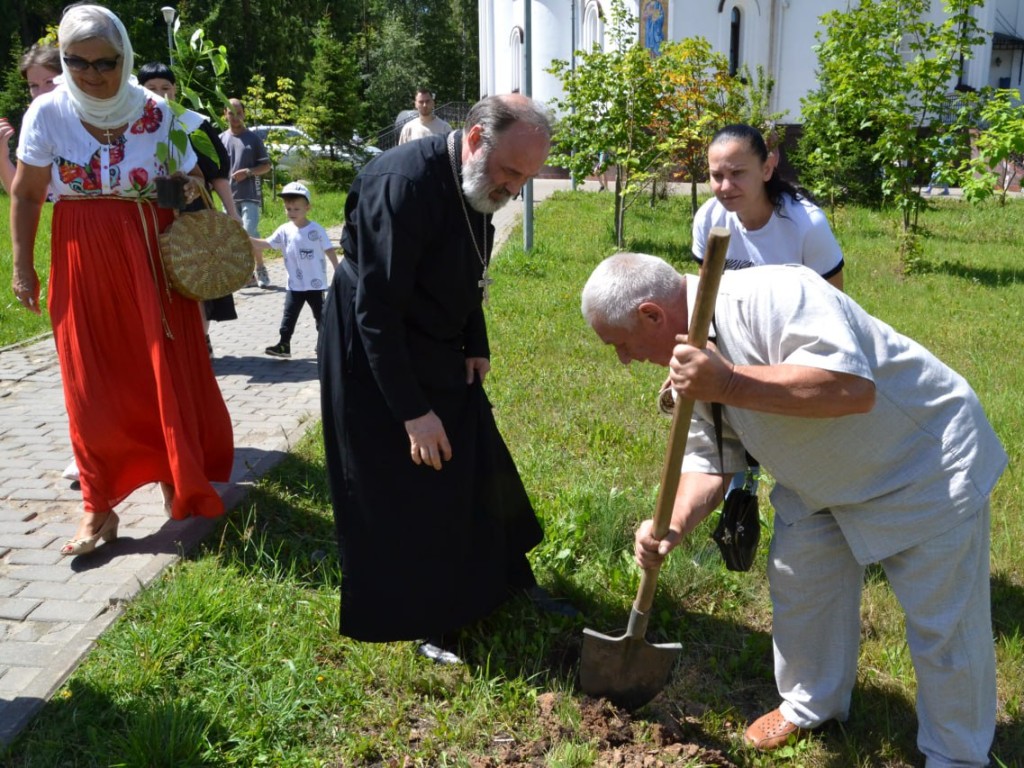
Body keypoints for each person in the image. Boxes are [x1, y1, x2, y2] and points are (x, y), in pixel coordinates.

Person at [581, 252, 1006, 768]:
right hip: (816, 479)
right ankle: (812, 704)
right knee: (801, 589)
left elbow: (852, 388)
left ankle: (956, 755)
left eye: (620, 345)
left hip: (918, 465)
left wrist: (730, 382)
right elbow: (710, 459)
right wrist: (673, 522)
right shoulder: (689, 362)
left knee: (945, 630)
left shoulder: (776, 295)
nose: (623, 360)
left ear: (651, 314)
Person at [319, 94, 558, 663]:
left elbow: (471, 261)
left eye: (526, 179)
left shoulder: (478, 179)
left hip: (436, 334)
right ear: (475, 140)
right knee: (408, 480)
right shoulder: (401, 186)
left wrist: (475, 339)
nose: (514, 190)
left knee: (473, 456)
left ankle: (502, 579)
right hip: (373, 345)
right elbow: (376, 313)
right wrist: (411, 412)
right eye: (510, 174)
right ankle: (429, 618)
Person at [10, 4, 234, 555]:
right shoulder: (48, 113)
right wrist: (21, 264)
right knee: (91, 382)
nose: (91, 72)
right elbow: (28, 192)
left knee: (163, 368)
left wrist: (176, 188)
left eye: (105, 61)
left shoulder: (157, 112)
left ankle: (175, 479)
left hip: (151, 251)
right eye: (76, 61)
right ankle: (99, 505)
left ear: (125, 56)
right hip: (82, 252)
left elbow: (186, 189)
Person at [137, 61, 241, 355]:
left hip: (192, 209)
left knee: (195, 275)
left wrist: (232, 214)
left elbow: (217, 175)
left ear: (175, 89)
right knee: (159, 279)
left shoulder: (193, 123)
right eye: (151, 89)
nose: (159, 95)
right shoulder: (132, 126)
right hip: (151, 212)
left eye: (165, 88)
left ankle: (200, 340)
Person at [693, 124, 844, 291]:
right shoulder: (708, 218)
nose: (726, 187)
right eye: (717, 176)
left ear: (766, 169)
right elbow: (707, 298)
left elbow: (833, 304)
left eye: (737, 173)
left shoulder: (808, 225)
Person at [251, 181, 338, 358]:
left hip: (315, 284)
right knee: (288, 317)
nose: (291, 212)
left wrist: (338, 269)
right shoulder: (284, 230)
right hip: (294, 285)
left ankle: (324, 345)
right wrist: (246, 238)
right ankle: (284, 345)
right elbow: (268, 243)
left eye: (296, 209)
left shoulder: (316, 230)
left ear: (308, 208)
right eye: (288, 209)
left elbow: (329, 249)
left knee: (321, 318)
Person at [220, 97, 271, 288]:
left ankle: (260, 268)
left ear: (244, 114)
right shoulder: (220, 139)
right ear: (224, 114)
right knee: (233, 237)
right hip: (229, 198)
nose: (235, 117)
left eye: (239, 112)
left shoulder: (253, 139)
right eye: (231, 113)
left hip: (250, 194)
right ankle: (246, 275)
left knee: (250, 232)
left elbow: (266, 166)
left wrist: (248, 172)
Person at [1, 42, 62, 194]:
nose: (41, 93)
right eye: (33, 85)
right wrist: (2, 157)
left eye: (49, 82)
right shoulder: (37, 124)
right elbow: (23, 195)